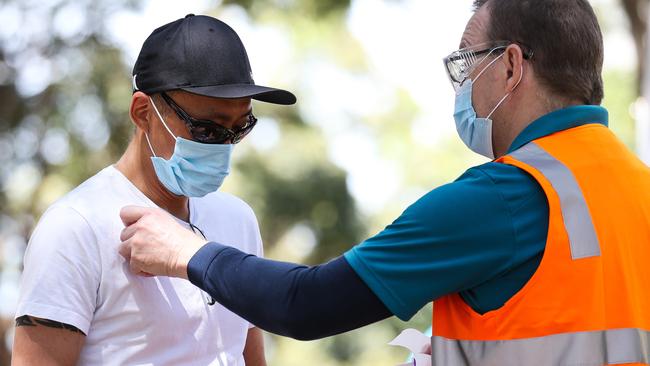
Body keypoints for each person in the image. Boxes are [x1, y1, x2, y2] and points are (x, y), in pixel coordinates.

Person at [119, 1, 650, 365]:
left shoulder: (503, 198)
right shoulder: (638, 187)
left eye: (467, 62)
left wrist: (190, 253)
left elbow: (307, 304)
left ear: (511, 66)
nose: (462, 85)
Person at [12, 14, 296, 366]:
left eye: (240, 128)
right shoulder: (76, 228)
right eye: (207, 130)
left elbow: (247, 355)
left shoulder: (238, 219)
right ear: (143, 112)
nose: (224, 146)